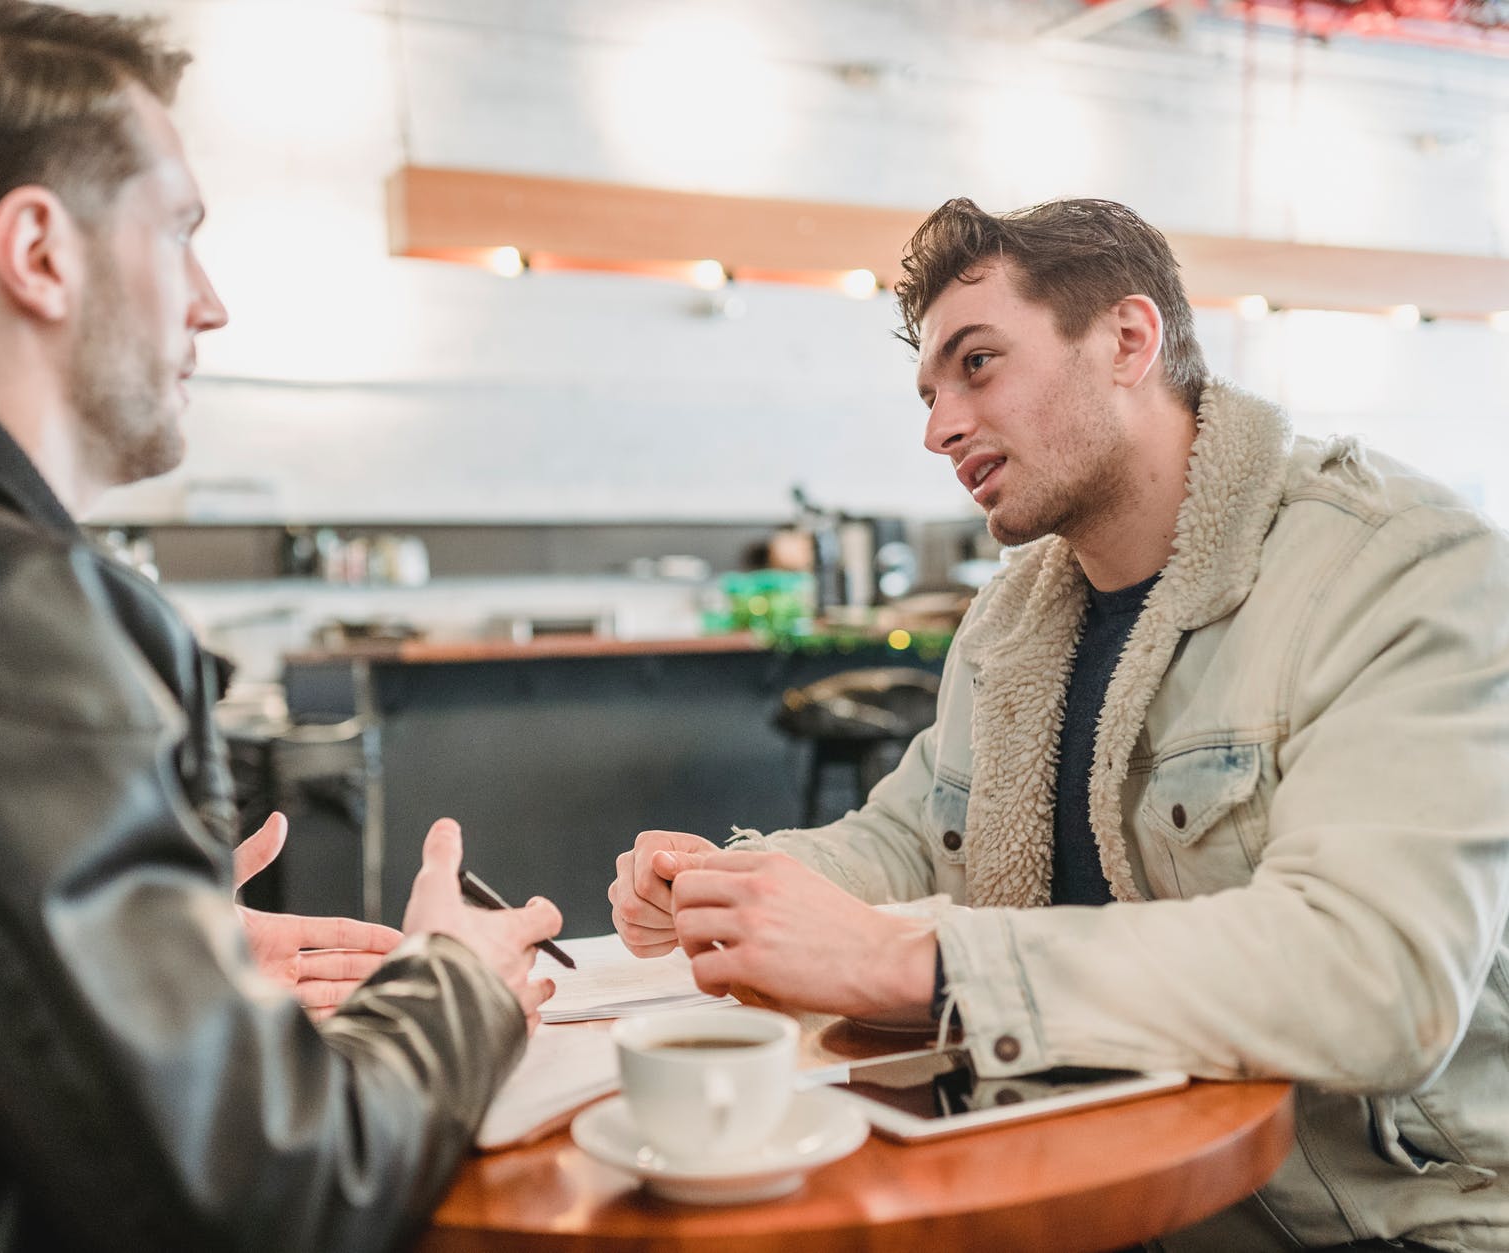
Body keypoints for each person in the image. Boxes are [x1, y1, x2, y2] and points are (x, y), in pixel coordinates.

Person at [0, 3, 562, 1251]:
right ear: (39, 251)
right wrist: (454, 980)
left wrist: (141, 964)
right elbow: (274, 1191)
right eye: (180, 231)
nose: (210, 303)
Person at [611, 197, 1509, 1250]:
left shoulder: (1399, 567)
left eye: (977, 362)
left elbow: (1375, 976)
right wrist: (736, 887)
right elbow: (912, 835)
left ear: (1129, 339)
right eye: (930, 388)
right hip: (1098, 1168)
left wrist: (923, 967)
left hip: (1372, 1219)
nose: (937, 427)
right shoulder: (1012, 615)